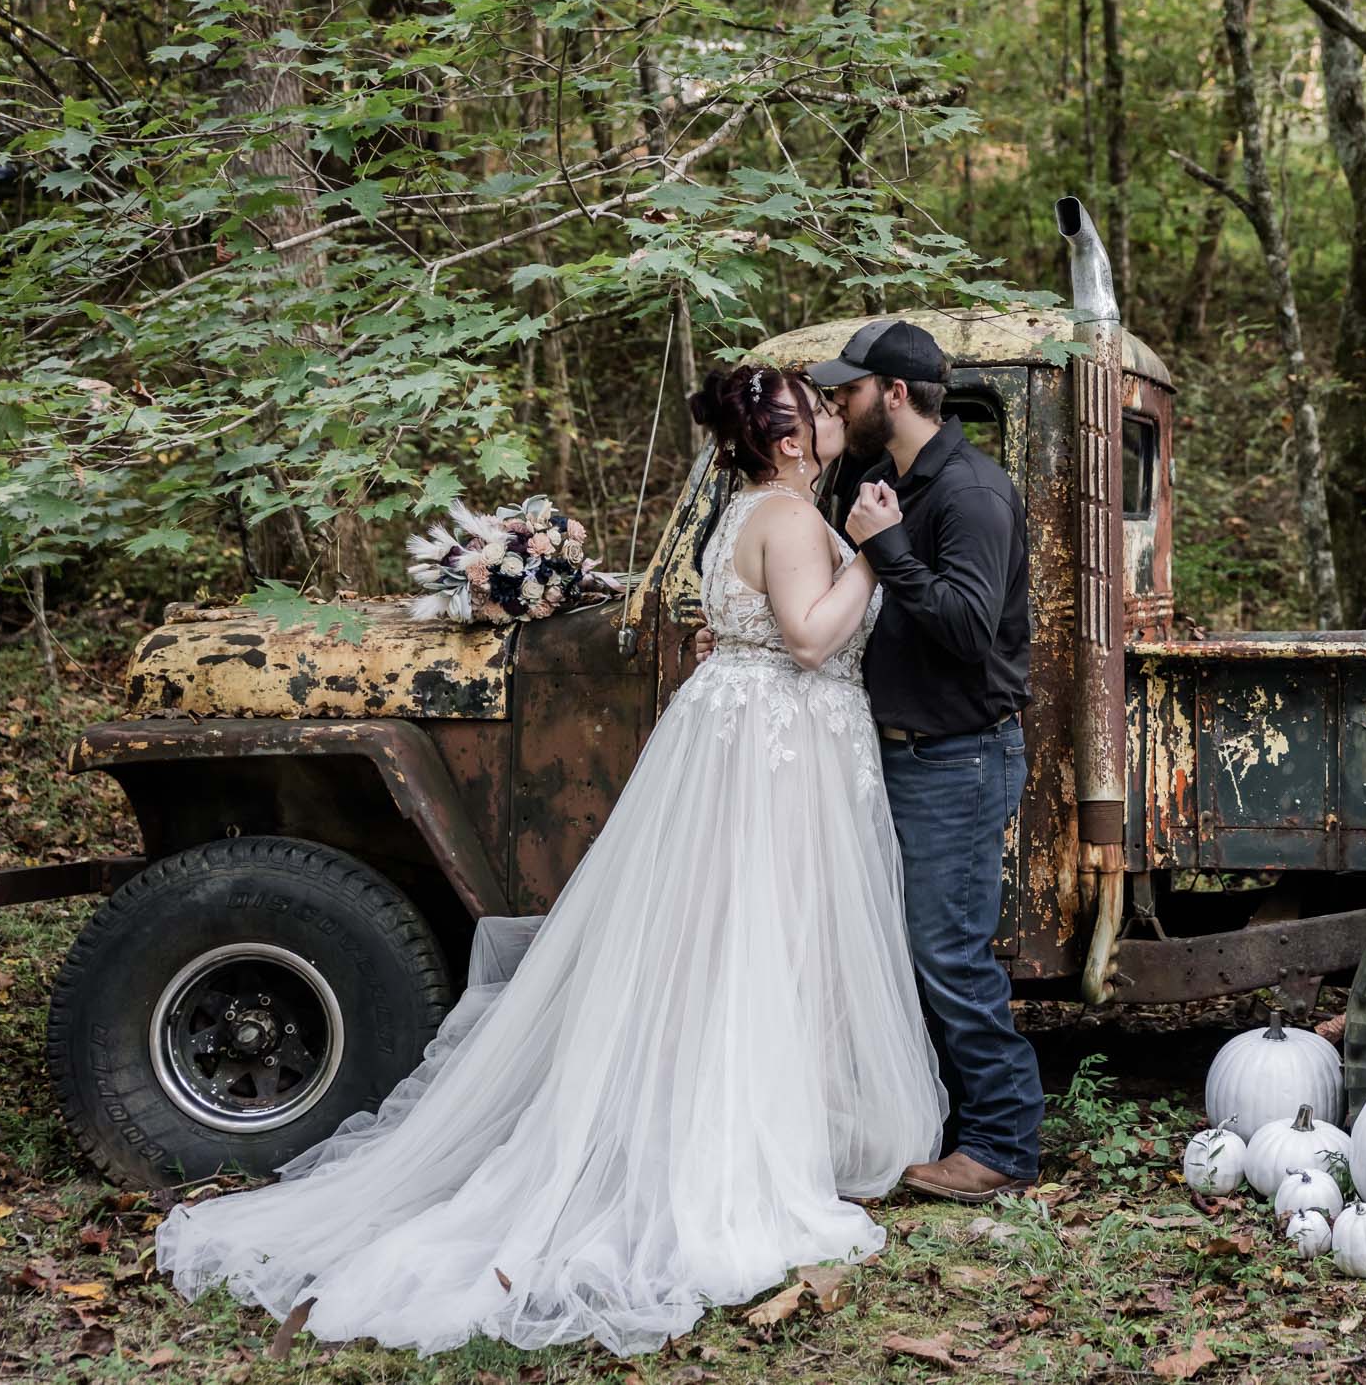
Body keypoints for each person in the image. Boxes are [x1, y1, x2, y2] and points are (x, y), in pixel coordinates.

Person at [153, 365, 945, 1356]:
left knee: (749, 937)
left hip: (768, 739)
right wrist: (873, 556)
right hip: (774, 744)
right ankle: (733, 1152)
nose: (836, 419)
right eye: (819, 410)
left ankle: (762, 1125)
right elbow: (808, 638)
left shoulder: (762, 511)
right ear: (787, 440)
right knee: (756, 936)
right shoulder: (787, 519)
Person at [701, 317, 1044, 1201]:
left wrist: (883, 550)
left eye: (847, 390)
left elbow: (969, 630)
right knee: (887, 948)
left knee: (948, 953)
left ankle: (1003, 1143)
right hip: (883, 752)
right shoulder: (874, 476)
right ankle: (900, 1119)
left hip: (956, 756)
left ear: (893, 394)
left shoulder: (971, 492)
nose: (838, 403)